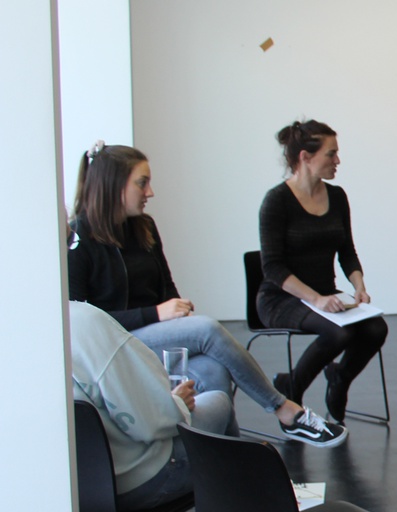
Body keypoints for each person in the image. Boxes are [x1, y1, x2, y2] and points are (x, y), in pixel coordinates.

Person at [67, 143, 345, 447]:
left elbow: (167, 286)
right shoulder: (79, 240)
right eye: (142, 183)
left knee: (214, 372)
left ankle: (223, 463)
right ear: (114, 185)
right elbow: (84, 325)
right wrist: (157, 314)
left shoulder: (143, 227)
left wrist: (178, 314)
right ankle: (285, 410)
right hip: (118, 346)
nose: (150, 192)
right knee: (207, 329)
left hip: (155, 336)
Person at [69, 300, 283, 512]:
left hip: (75, 498)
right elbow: (151, 424)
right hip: (137, 482)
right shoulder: (83, 323)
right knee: (219, 402)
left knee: (210, 370)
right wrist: (175, 403)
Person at [256, 120, 388, 423]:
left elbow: (347, 251)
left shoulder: (337, 196)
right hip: (281, 299)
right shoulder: (277, 201)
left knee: (376, 329)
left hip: (325, 295)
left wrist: (359, 286)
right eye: (331, 154)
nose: (337, 160)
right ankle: (292, 388)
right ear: (305, 157)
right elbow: (272, 267)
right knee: (338, 332)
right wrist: (315, 299)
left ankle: (340, 377)